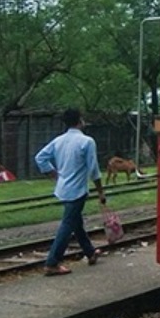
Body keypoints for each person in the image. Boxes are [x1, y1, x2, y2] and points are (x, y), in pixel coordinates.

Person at [35, 108, 106, 276]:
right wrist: (101, 192)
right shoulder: (87, 142)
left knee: (76, 222)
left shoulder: (58, 141)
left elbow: (40, 157)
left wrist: (52, 172)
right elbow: (94, 170)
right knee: (68, 224)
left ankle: (90, 252)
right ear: (80, 121)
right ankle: (52, 262)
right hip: (77, 190)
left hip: (62, 187)